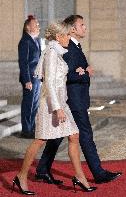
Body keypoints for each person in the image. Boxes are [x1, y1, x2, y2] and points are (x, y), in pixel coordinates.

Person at [12, 22, 97, 195]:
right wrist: (57, 108)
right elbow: (49, 82)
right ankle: (21, 176)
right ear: (58, 37)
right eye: (67, 35)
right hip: (51, 104)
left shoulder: (58, 51)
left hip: (60, 102)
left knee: (74, 135)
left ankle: (80, 177)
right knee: (40, 141)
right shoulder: (51, 53)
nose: (69, 38)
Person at [35, 15, 122, 184]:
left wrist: (83, 71)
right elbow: (65, 74)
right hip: (73, 99)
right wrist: (85, 73)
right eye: (82, 25)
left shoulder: (74, 46)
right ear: (73, 29)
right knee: (85, 135)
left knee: (58, 136)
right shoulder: (68, 47)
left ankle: (42, 169)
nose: (85, 27)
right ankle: (98, 173)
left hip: (75, 98)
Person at [18, 15, 41, 138]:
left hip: (36, 77)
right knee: (28, 104)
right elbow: (24, 62)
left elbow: (39, 59)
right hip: (29, 78)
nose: (38, 26)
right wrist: (27, 80)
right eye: (35, 24)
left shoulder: (36, 40)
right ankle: (26, 130)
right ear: (28, 27)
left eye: (38, 24)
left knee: (35, 104)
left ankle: (32, 128)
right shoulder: (25, 41)